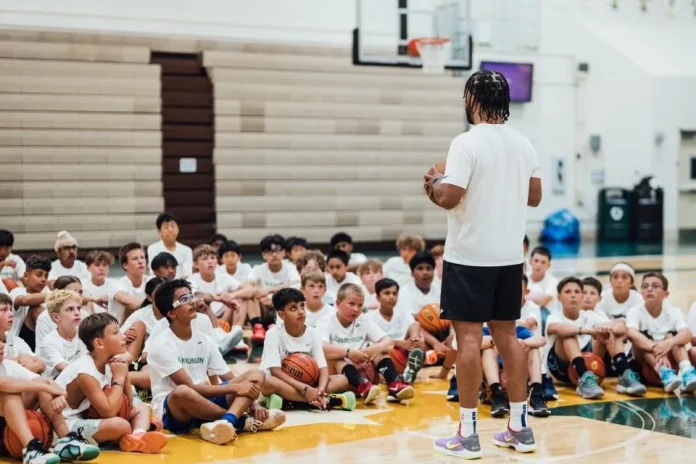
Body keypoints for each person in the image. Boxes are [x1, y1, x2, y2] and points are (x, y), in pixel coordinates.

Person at [425, 69, 542, 457]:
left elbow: (449, 197)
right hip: (509, 257)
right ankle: (519, 428)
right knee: (508, 338)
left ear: (472, 100)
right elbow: (535, 197)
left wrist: (433, 184)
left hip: (470, 257)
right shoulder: (523, 143)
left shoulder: (466, 142)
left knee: (470, 341)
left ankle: (468, 434)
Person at [147, 279, 284, 445]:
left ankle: (226, 421)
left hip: (206, 401)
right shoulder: (161, 344)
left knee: (257, 374)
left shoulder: (204, 339)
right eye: (184, 299)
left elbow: (228, 377)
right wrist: (236, 388)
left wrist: (254, 403)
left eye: (191, 296)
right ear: (171, 313)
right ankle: (242, 422)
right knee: (181, 392)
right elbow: (191, 388)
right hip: (177, 411)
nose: (192, 301)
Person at [54, 313, 167, 453]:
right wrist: (118, 377)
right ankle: (131, 431)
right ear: (99, 343)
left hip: (90, 414)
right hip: (66, 423)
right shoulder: (85, 372)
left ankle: (137, 437)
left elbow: (129, 404)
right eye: (115, 333)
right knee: (121, 425)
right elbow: (108, 412)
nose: (123, 336)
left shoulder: (110, 361)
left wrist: (124, 372)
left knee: (142, 408)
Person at [0, 338, 100, 464]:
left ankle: (66, 440)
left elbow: (45, 381)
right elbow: (3, 383)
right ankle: (30, 448)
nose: (1, 345)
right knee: (9, 393)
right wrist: (46, 387)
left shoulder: (8, 365)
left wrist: (57, 394)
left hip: (10, 429)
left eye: (1, 341)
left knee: (40, 386)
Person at [546, 277, 645, 398]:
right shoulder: (554, 316)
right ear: (559, 297)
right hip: (561, 369)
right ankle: (583, 378)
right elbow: (555, 328)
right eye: (568, 292)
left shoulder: (590, 316)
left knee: (607, 332)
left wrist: (608, 329)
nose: (573, 295)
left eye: (577, 292)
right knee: (567, 334)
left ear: (581, 296)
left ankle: (624, 374)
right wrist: (587, 331)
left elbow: (622, 328)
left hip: (590, 365)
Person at [316, 284, 414, 404]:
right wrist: (349, 353)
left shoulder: (364, 320)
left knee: (380, 352)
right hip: (340, 378)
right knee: (338, 359)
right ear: (337, 303)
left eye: (360, 305)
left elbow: (389, 343)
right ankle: (362, 385)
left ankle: (394, 385)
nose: (356, 309)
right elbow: (321, 348)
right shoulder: (325, 321)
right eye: (351, 304)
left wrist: (377, 347)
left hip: (365, 373)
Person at [261, 288, 355, 411]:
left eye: (302, 306)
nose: (301, 312)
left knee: (342, 380)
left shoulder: (313, 333)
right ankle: (327, 401)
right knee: (269, 383)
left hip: (306, 384)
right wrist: (306, 390)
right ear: (281, 315)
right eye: (293, 308)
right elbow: (276, 372)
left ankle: (291, 402)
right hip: (283, 381)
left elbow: (323, 368)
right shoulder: (273, 334)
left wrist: (320, 389)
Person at [626, 273, 696, 393]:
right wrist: (656, 348)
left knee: (674, 338)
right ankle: (664, 373)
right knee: (640, 339)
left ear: (665, 294)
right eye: (645, 286)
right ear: (641, 293)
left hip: (671, 365)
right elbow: (631, 333)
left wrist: (669, 343)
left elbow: (687, 333)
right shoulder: (634, 311)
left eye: (655, 286)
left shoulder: (674, 311)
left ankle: (687, 372)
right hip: (645, 365)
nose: (649, 289)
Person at [365, 278, 425, 384]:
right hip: (384, 356)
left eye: (394, 293)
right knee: (379, 350)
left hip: (405, 352)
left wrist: (415, 342)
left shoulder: (405, 314)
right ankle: (399, 375)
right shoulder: (369, 318)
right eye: (387, 293)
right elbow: (374, 346)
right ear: (377, 297)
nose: (391, 297)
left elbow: (415, 336)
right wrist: (400, 343)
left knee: (415, 325)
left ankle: (412, 359)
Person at [246, 235, 300, 343]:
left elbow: (297, 285)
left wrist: (272, 294)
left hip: (281, 307)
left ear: (284, 253)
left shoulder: (291, 268)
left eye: (278, 251)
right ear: (263, 255)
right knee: (250, 295)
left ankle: (274, 325)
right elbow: (247, 284)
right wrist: (257, 292)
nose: (274, 255)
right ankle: (258, 327)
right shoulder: (258, 269)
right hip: (263, 306)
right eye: (270, 252)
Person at [38, 290, 88, 379]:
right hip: (58, 382)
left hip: (83, 377)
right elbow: (66, 371)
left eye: (78, 308)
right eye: (70, 309)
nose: (77, 313)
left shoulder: (85, 333)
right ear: (56, 317)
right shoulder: (48, 342)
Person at [9, 255, 52, 351]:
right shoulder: (17, 291)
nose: (43, 279)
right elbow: (24, 300)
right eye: (39, 275)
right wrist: (56, 295)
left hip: (44, 341)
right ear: (26, 276)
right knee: (37, 309)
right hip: (17, 345)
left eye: (46, 276)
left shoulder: (49, 293)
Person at [0, 293, 45, 375]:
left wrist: (21, 369)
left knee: (26, 358)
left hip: (22, 379)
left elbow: (41, 364)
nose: (11, 314)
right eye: (4, 310)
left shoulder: (16, 340)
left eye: (11, 309)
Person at [110, 243, 152, 326]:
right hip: (121, 328)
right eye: (135, 259)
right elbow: (126, 301)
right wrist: (154, 307)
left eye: (142, 257)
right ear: (125, 265)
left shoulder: (151, 281)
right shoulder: (117, 284)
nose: (140, 261)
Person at [147, 213, 193, 279]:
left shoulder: (186, 250)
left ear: (178, 229)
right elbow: (154, 273)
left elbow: (187, 274)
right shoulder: (153, 249)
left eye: (173, 226)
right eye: (166, 227)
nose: (170, 230)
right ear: (159, 232)